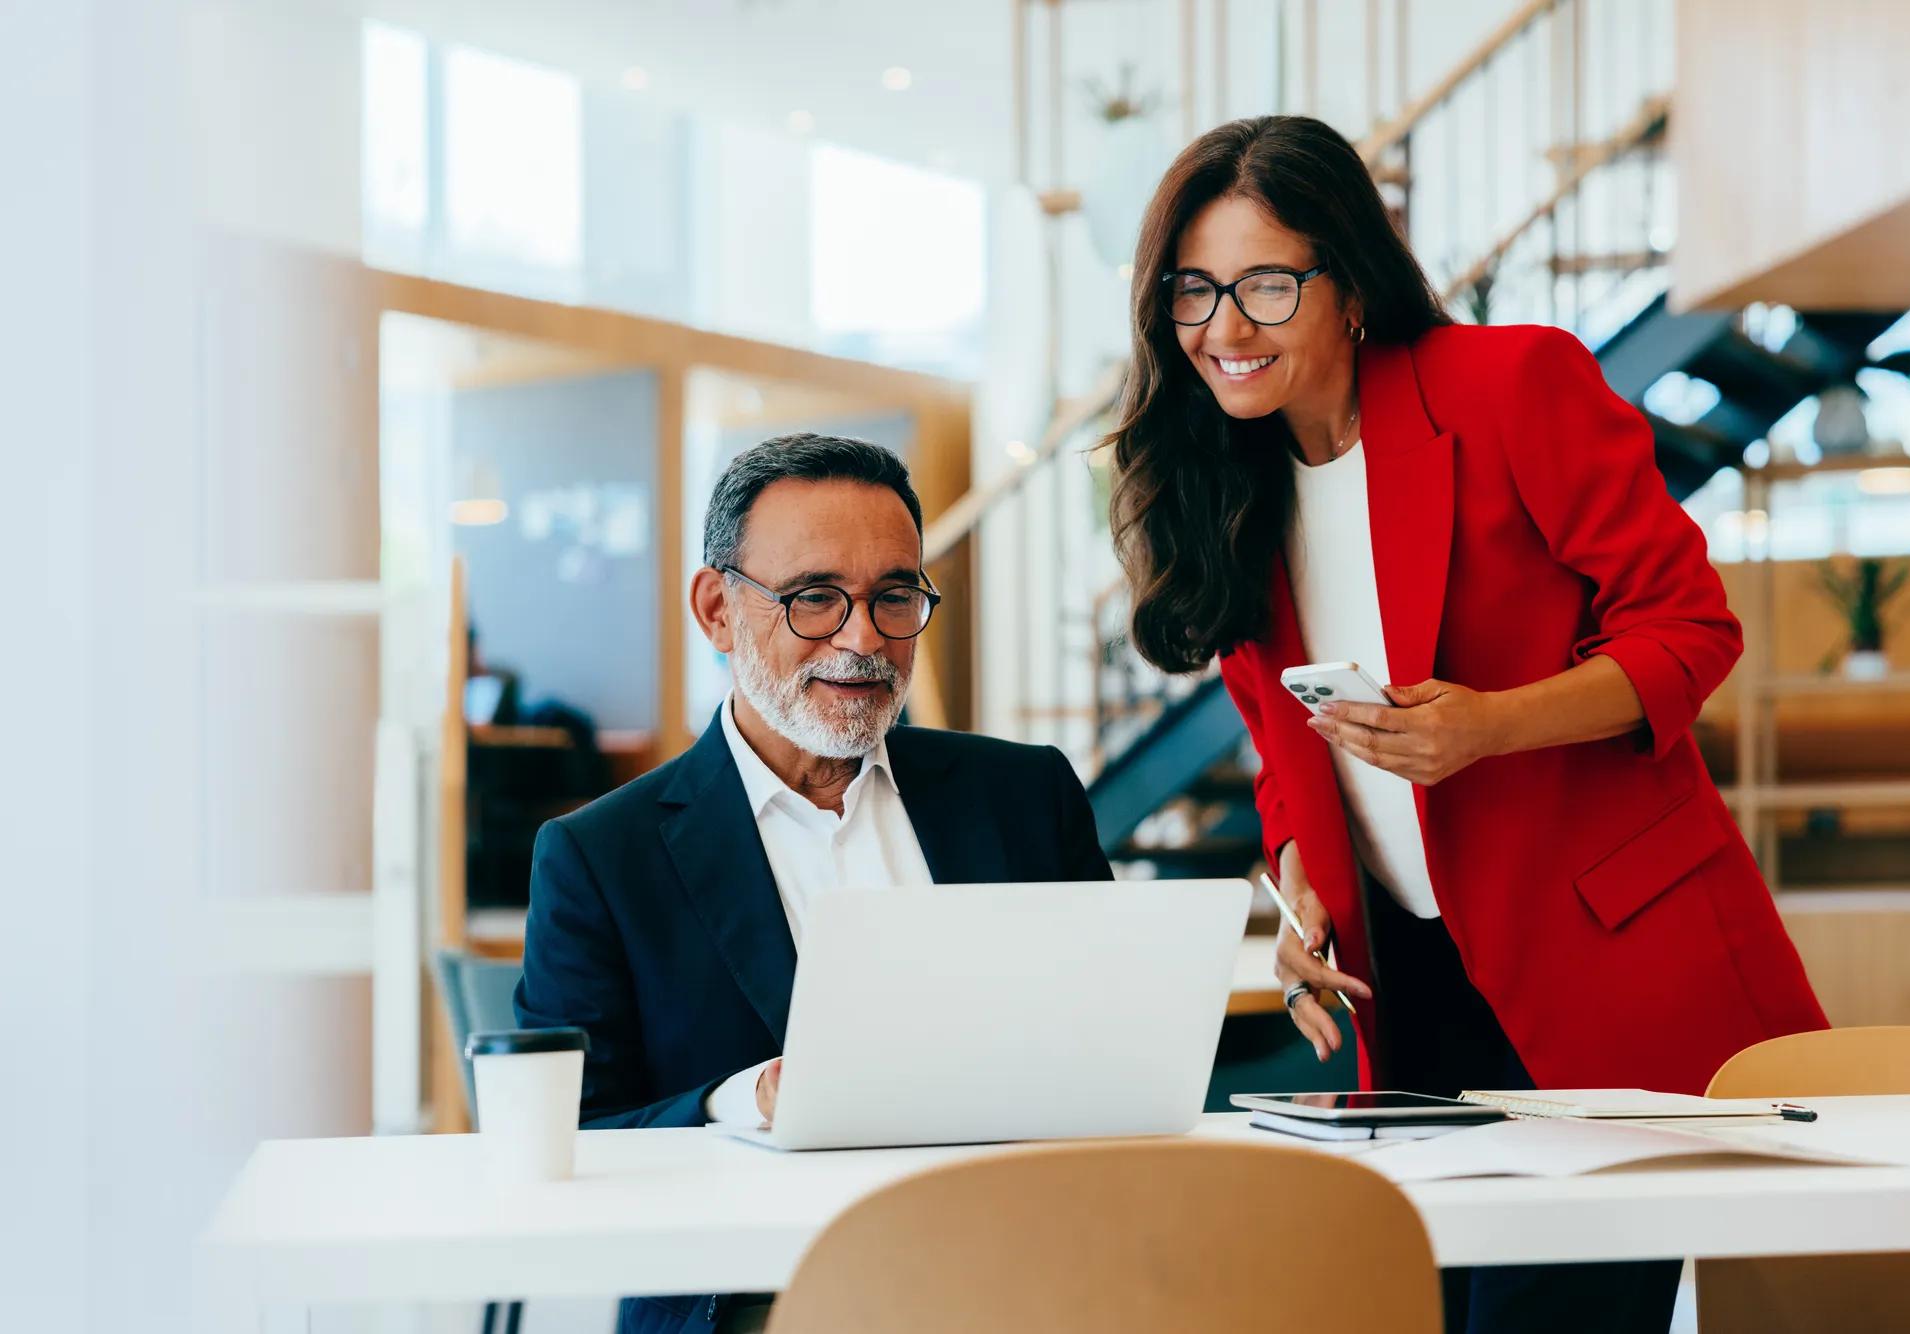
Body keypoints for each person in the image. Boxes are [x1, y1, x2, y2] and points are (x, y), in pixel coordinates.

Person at [1106, 115, 1827, 1334]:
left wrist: (1489, 726)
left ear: (1347, 283)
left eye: (1265, 283)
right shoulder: (1224, 484)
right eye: (1192, 290)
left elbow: (1688, 628)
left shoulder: (1509, 384)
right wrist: (1297, 889)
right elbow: (1288, 753)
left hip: (1600, 960)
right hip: (1412, 988)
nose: (1223, 327)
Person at [516, 432, 1112, 1334]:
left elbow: (1108, 1042)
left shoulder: (1027, 796)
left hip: (1028, 1272)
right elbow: (570, 1138)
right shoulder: (603, 858)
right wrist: (743, 1099)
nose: (863, 639)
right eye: (814, 599)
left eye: (895, 596)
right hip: (762, 1294)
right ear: (718, 610)